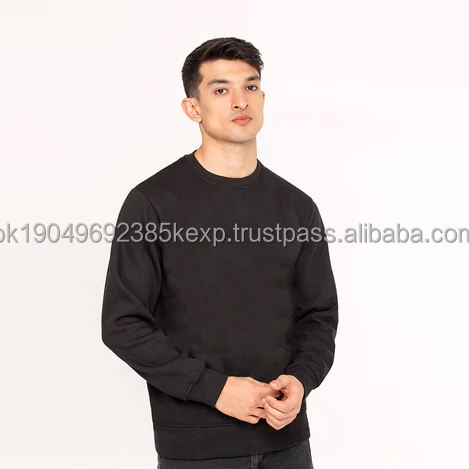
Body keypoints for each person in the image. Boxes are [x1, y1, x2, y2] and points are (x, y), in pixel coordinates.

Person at [101, 37, 338, 468]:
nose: (240, 100)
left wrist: (301, 380)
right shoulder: (152, 202)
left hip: (287, 441)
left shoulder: (297, 206)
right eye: (221, 89)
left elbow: (319, 317)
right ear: (193, 108)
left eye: (251, 86)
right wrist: (216, 390)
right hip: (197, 448)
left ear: (263, 98)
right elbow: (122, 324)